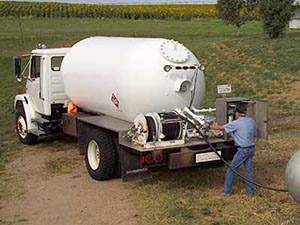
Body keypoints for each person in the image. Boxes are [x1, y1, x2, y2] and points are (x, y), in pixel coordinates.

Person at [210, 104, 257, 196]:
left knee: (231, 169)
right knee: (248, 171)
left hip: (242, 150)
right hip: (251, 148)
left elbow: (221, 128)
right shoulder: (251, 121)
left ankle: (227, 191)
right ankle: (250, 192)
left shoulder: (236, 123)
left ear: (237, 113)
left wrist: (209, 127)